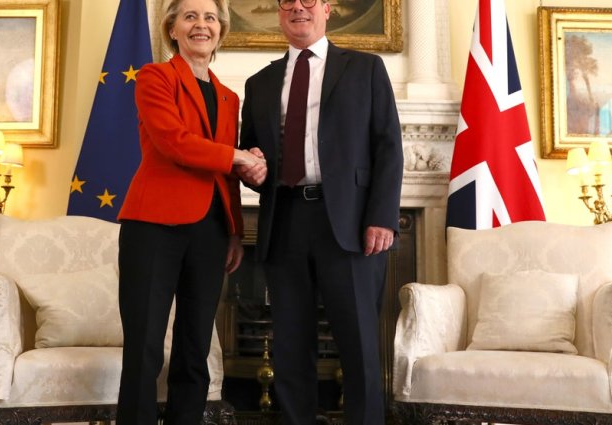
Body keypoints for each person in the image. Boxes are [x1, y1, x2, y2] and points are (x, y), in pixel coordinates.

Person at [236, 0, 403, 421]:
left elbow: (388, 146)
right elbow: (251, 158)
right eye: (288, 2)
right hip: (284, 221)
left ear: (327, 9)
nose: (298, 7)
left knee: (359, 343)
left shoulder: (365, 69)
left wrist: (381, 216)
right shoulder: (259, 83)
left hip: (349, 223)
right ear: (279, 13)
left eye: (308, 0)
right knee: (291, 345)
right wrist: (252, 168)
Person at [115, 0, 265, 422]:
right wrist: (239, 155)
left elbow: (225, 174)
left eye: (210, 17)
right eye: (190, 16)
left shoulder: (229, 97)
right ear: (173, 29)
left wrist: (234, 230)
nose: (202, 25)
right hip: (153, 226)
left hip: (211, 230)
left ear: (221, 30)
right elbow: (174, 142)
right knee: (145, 346)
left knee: (195, 346)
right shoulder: (155, 77)